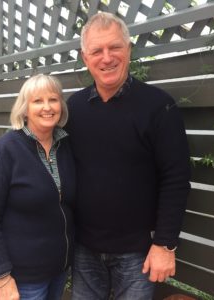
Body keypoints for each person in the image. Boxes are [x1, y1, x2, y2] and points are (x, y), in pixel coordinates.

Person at [65, 12, 191, 300]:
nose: (106, 57)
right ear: (86, 58)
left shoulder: (159, 107)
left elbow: (176, 178)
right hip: (84, 249)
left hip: (138, 252)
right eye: (97, 50)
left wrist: (165, 244)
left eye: (115, 47)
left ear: (129, 49)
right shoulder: (73, 109)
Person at [0, 74, 76, 300]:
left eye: (53, 99)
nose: (47, 107)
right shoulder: (4, 150)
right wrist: (1, 278)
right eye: (37, 101)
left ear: (61, 105)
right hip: (24, 277)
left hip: (59, 270)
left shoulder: (65, 147)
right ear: (24, 109)